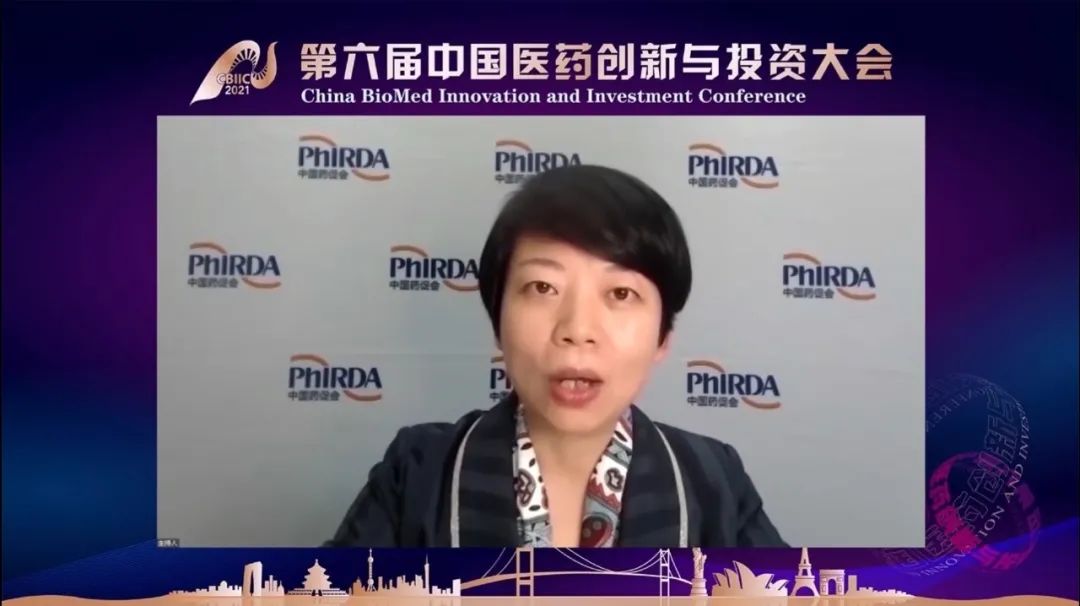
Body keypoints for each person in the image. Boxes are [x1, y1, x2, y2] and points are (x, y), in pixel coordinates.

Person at [325, 164, 787, 548]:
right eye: (543, 287)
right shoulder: (418, 472)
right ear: (498, 321)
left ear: (663, 336)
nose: (577, 330)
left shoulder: (714, 481)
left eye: (621, 293)